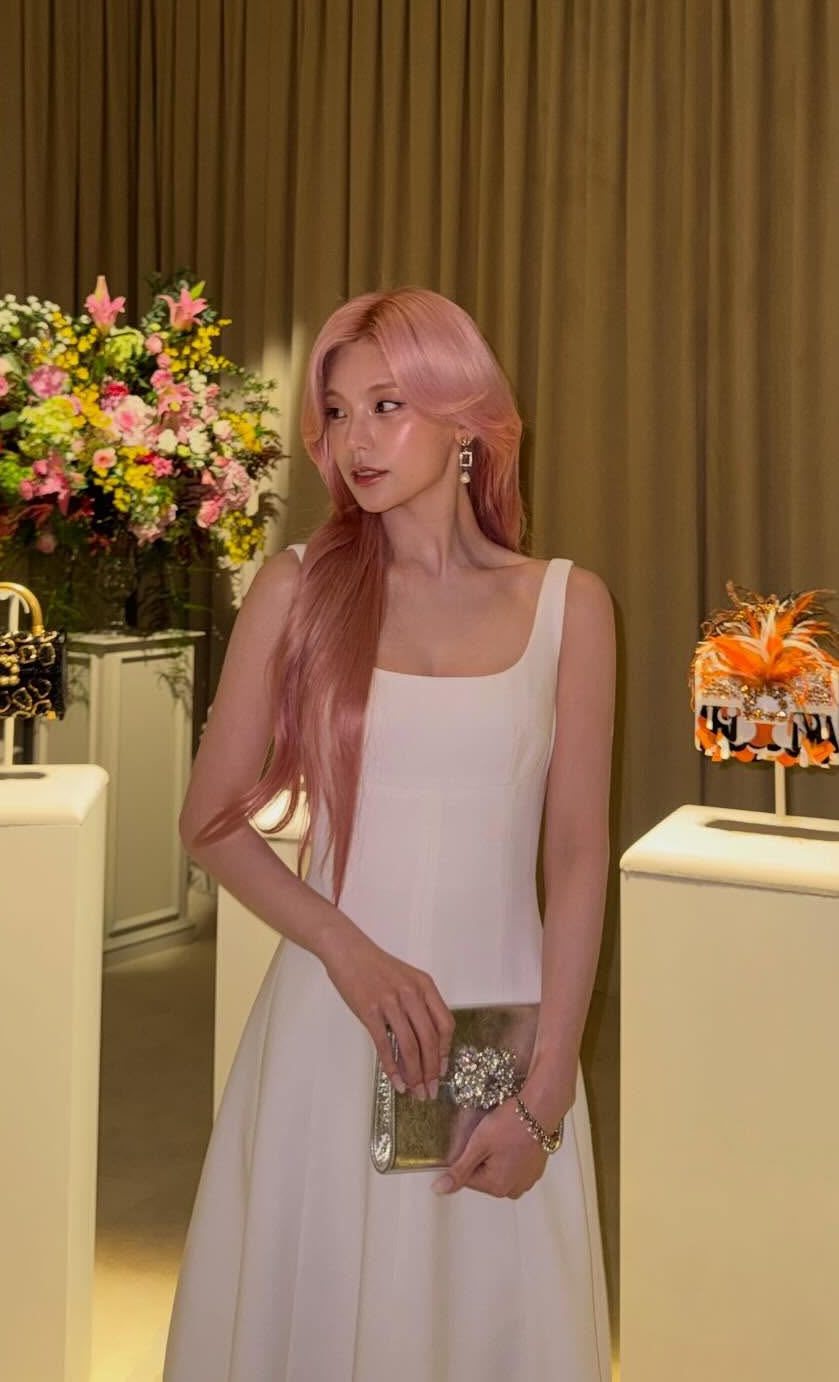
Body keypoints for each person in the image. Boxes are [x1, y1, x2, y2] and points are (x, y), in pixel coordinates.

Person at [162, 286, 615, 1381]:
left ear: (464, 420)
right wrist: (347, 950)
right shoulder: (298, 590)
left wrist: (549, 1085)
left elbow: (575, 854)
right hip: (330, 1027)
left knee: (476, 1317)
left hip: (498, 1033)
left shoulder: (569, 604)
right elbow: (210, 820)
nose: (353, 439)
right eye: (336, 411)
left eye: (385, 405)